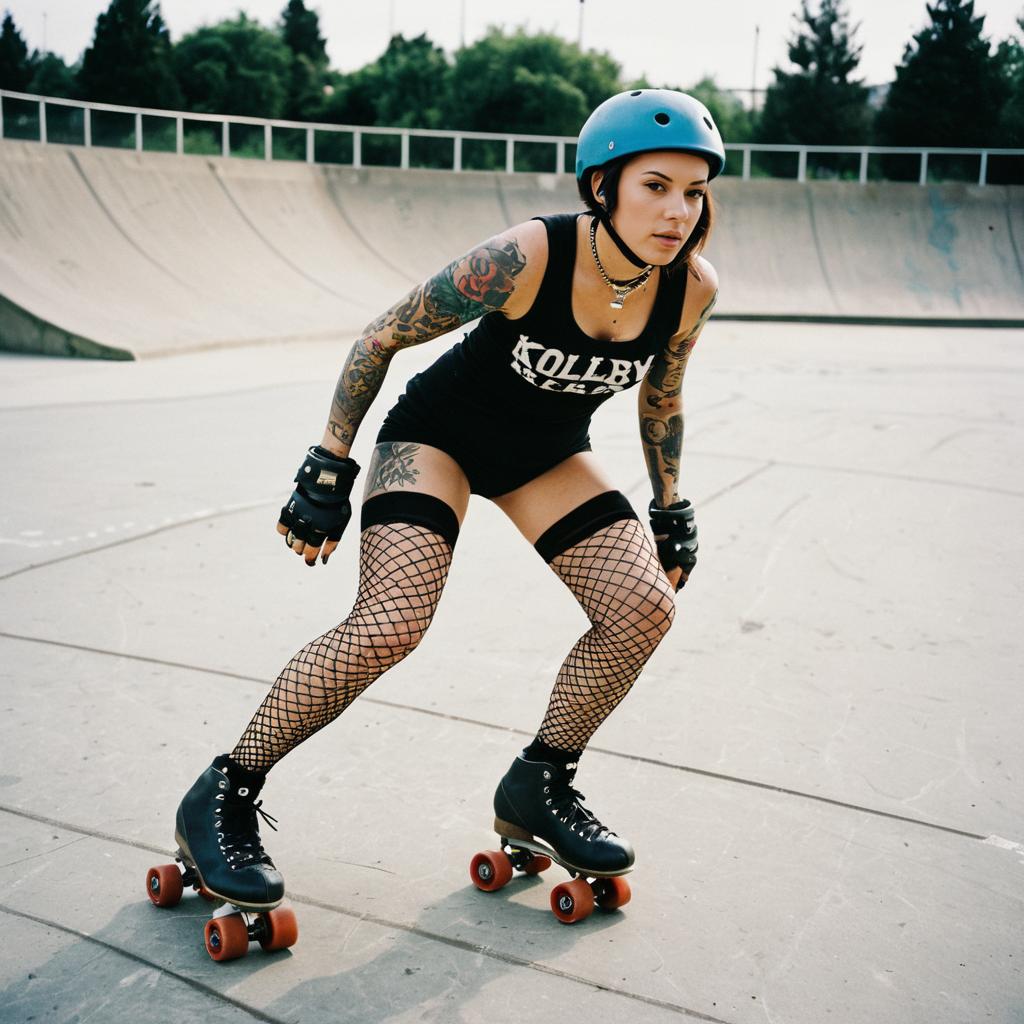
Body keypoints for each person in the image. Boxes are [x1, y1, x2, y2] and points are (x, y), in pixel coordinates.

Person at [172, 89, 725, 910]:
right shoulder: (529, 255)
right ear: (601, 185)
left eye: (695, 192)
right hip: (439, 437)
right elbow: (383, 334)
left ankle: (540, 784)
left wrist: (671, 507)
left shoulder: (689, 289)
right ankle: (224, 792)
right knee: (390, 623)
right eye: (656, 186)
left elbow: (663, 396)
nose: (678, 211)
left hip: (546, 455)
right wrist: (328, 463)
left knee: (642, 609)